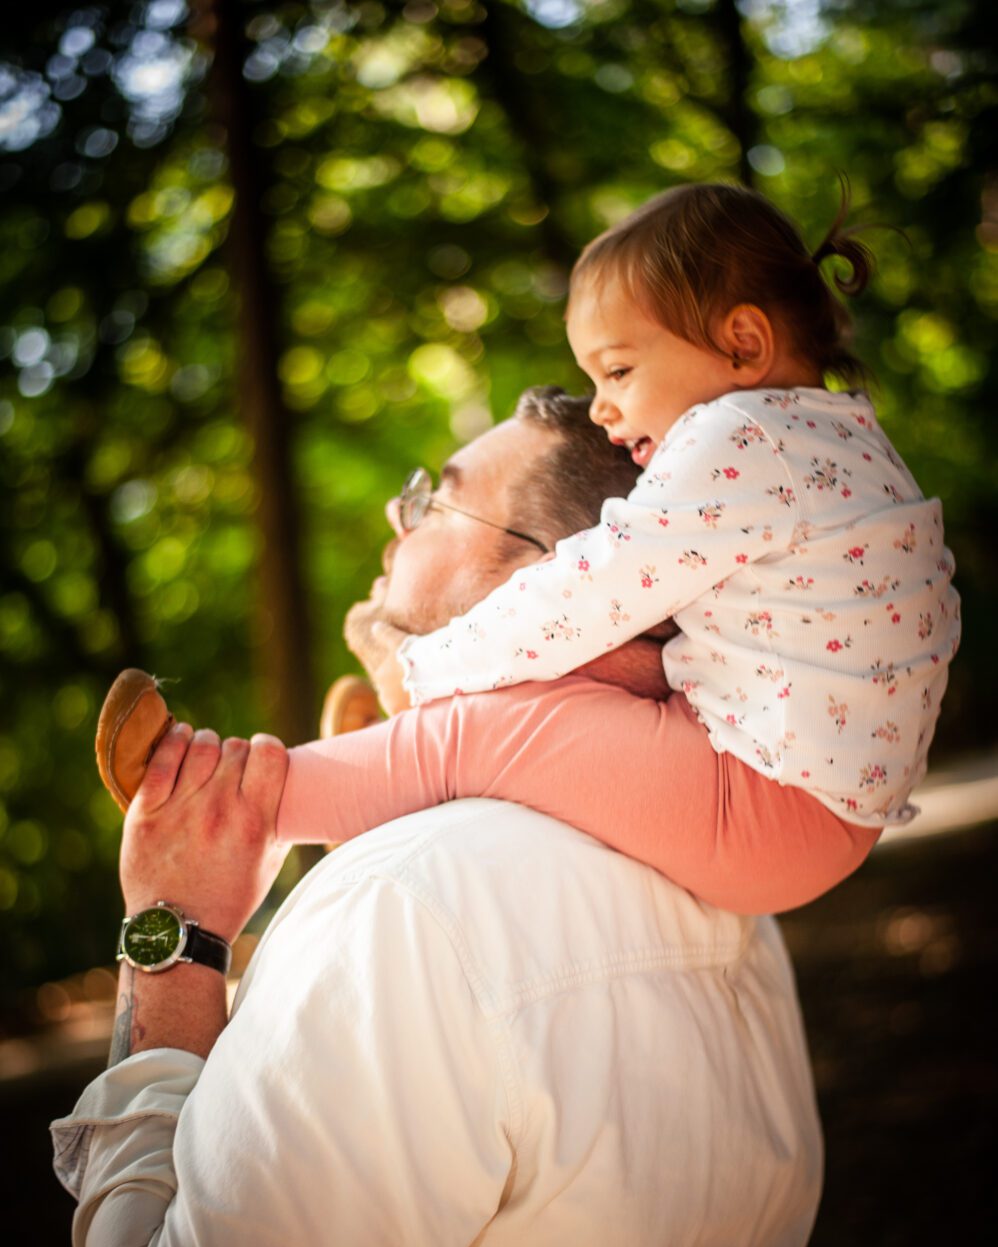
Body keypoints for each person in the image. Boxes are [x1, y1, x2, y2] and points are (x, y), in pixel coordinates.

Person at [54, 397, 842, 1247]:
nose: (399, 511)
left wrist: (175, 935)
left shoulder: (400, 906)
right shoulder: (727, 871)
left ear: (570, 588)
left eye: (435, 499)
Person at [98, 184, 959, 916]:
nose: (603, 408)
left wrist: (425, 664)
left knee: (488, 732)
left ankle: (230, 797)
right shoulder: (851, 441)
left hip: (769, 807)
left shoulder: (737, 437)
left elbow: (589, 589)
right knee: (561, 699)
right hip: (817, 804)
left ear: (743, 343)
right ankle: (377, 762)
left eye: (617, 372)